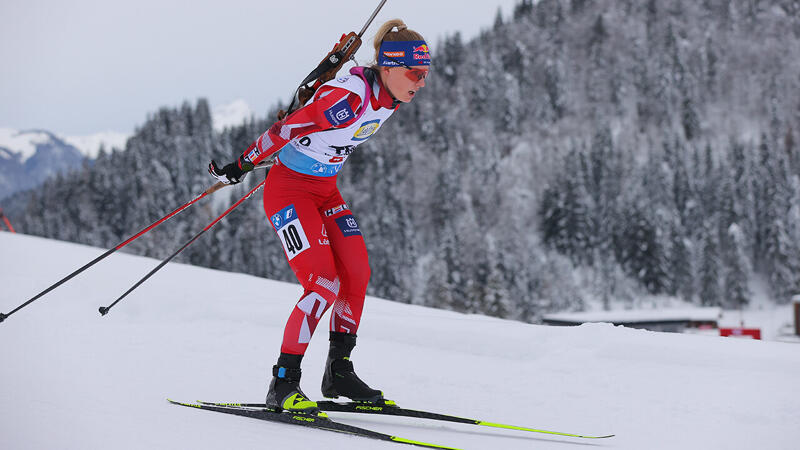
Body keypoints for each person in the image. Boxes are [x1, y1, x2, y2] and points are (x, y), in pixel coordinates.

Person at [208, 19, 430, 414]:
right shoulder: (349, 100)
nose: (421, 82)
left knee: (357, 272)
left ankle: (339, 371)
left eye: (425, 74)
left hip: (325, 190)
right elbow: (285, 129)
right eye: (415, 72)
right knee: (323, 283)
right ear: (391, 67)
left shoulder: (392, 97)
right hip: (288, 191)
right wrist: (241, 165)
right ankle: (283, 382)